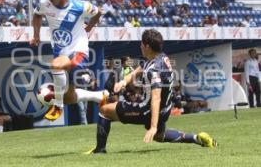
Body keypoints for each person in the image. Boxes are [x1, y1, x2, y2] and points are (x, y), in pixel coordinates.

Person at [85, 29, 217, 154]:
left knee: (105, 111)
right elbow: (138, 70)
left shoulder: (153, 70)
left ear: (147, 46)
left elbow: (156, 98)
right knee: (159, 137)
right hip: (165, 110)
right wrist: (123, 82)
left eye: (141, 44)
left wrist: (153, 127)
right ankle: (196, 138)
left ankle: (100, 150)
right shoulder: (162, 58)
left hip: (148, 110)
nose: (140, 46)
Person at [30, 0, 109, 121]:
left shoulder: (79, 6)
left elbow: (98, 12)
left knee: (56, 66)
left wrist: (89, 26)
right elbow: (37, 15)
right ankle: (100, 95)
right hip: (60, 51)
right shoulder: (44, 4)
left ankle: (58, 106)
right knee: (70, 98)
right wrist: (36, 35)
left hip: (78, 50)